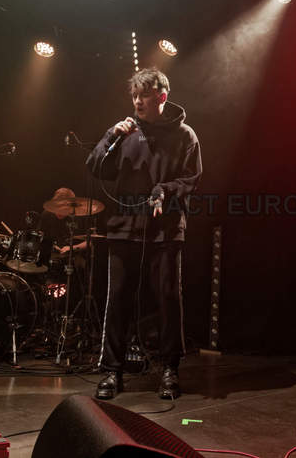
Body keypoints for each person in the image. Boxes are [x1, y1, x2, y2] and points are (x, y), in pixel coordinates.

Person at [86, 67, 202, 400]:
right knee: (117, 300)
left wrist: (164, 190)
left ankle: (169, 370)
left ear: (161, 97)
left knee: (168, 299)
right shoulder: (124, 132)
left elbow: (192, 179)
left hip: (166, 231)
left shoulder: (185, 136)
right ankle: (112, 371)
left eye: (144, 96)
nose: (137, 102)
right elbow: (95, 167)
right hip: (124, 228)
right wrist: (110, 137)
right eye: (134, 96)